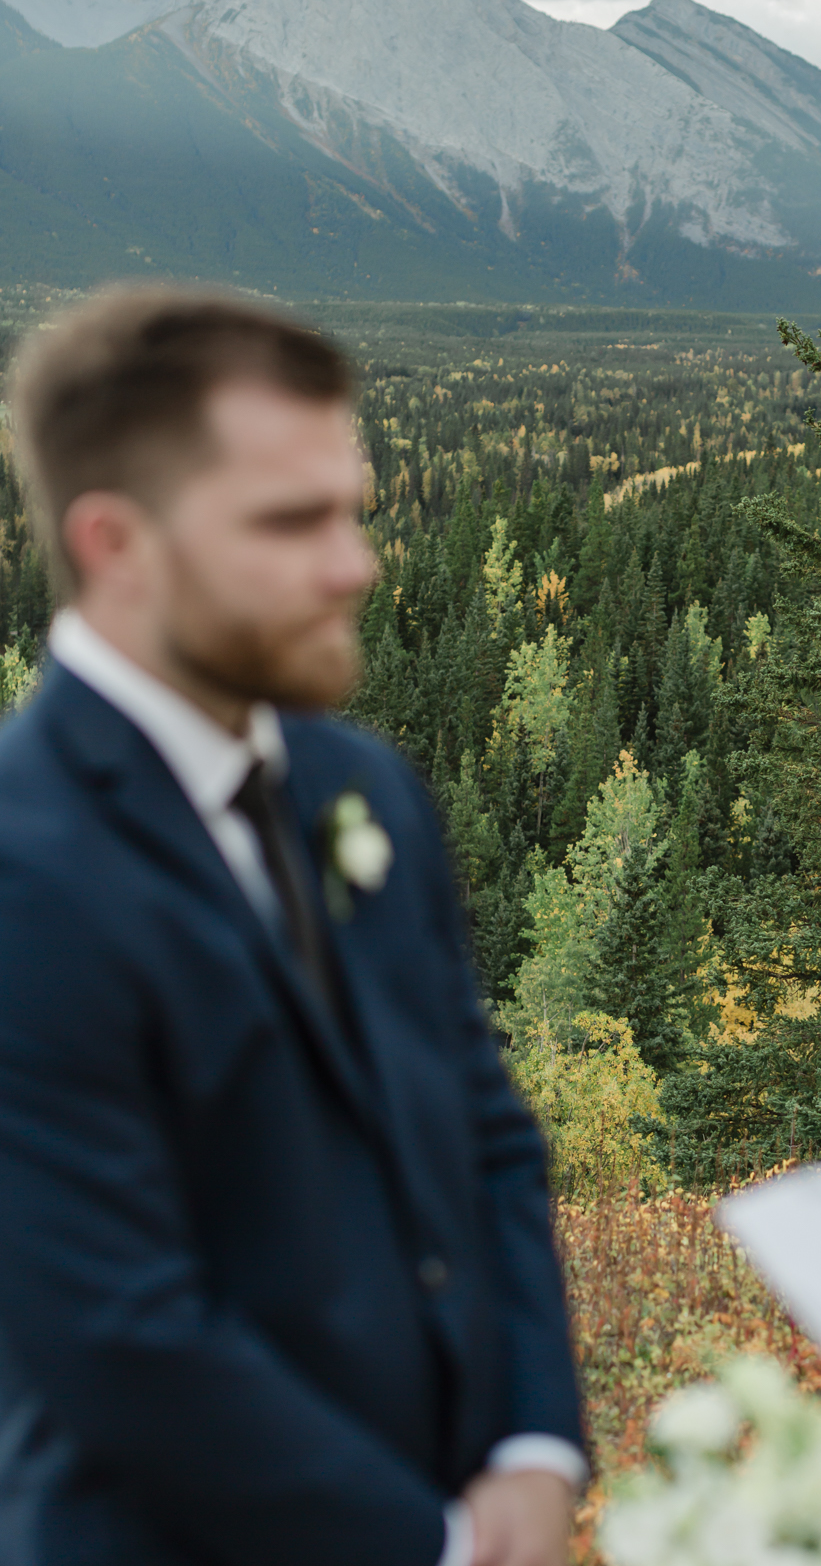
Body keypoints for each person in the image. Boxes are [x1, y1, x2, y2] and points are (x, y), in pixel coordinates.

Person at [0, 288, 585, 1566]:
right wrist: (428, 1544)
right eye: (290, 521)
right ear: (116, 543)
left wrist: (537, 1453)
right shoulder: (22, 868)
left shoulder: (360, 788)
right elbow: (115, 1330)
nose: (356, 563)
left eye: (353, 511)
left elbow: (485, 1130)